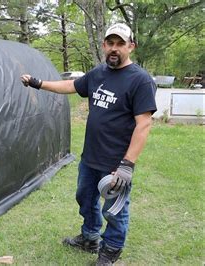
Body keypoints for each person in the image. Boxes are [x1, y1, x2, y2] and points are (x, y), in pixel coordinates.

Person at [21, 23, 156, 266]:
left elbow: (144, 124)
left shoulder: (140, 80)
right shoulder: (98, 73)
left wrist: (127, 165)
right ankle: (90, 237)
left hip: (116, 163)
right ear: (104, 45)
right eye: (110, 43)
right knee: (85, 198)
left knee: (114, 210)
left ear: (131, 47)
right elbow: (71, 86)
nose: (114, 49)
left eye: (120, 44)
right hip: (90, 157)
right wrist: (38, 83)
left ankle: (111, 250)